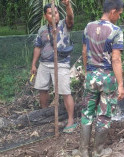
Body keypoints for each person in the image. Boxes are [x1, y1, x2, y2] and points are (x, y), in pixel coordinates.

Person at [79, 0, 124, 156]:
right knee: (104, 115)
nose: (119, 16)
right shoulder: (116, 31)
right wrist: (120, 84)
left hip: (91, 76)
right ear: (113, 11)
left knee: (87, 112)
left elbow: (84, 52)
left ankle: (83, 151)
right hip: (107, 79)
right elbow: (116, 59)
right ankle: (98, 151)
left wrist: (88, 72)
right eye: (119, 13)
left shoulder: (88, 27)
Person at [30, 0, 76, 133]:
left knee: (65, 92)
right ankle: (45, 114)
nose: (54, 15)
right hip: (44, 64)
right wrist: (34, 64)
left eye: (55, 13)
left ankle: (70, 120)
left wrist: (67, 5)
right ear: (45, 16)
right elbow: (38, 47)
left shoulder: (64, 25)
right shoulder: (42, 30)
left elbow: (70, 18)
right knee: (42, 89)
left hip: (61, 64)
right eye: (50, 14)